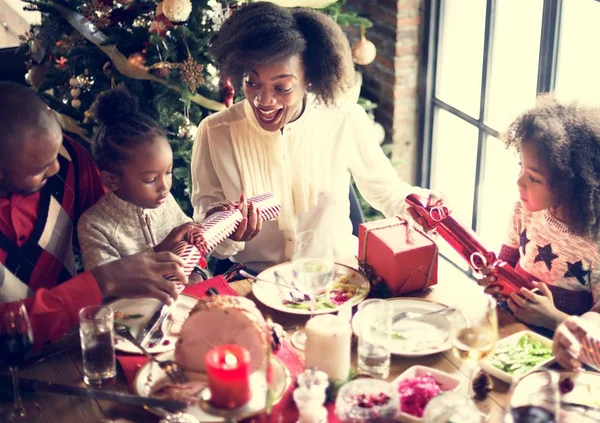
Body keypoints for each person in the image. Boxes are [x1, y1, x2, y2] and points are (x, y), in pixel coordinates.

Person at [190, 2, 431, 272]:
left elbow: (388, 192)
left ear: (310, 78)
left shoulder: (345, 119)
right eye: (252, 82)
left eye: (282, 87)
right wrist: (229, 235)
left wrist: (421, 207)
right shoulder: (214, 132)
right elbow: (205, 231)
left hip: (337, 276)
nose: (264, 100)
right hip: (257, 283)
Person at [0, 82, 187, 349]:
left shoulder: (70, 160)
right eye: (40, 168)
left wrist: (161, 250)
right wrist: (101, 281)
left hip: (76, 343)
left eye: (56, 150)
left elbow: (113, 220)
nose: (55, 168)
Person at [478, 96, 600, 330]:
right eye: (521, 168)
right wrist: (497, 282)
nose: (519, 182)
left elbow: (596, 325)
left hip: (560, 351)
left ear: (571, 185)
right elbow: (506, 263)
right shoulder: (523, 212)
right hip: (509, 330)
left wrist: (554, 319)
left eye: (534, 178)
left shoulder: (595, 242)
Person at [78, 88, 201, 270]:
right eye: (151, 179)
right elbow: (105, 285)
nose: (164, 187)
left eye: (168, 172)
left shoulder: (166, 202)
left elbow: (194, 249)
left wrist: (198, 270)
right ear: (111, 180)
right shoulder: (94, 226)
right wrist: (159, 250)